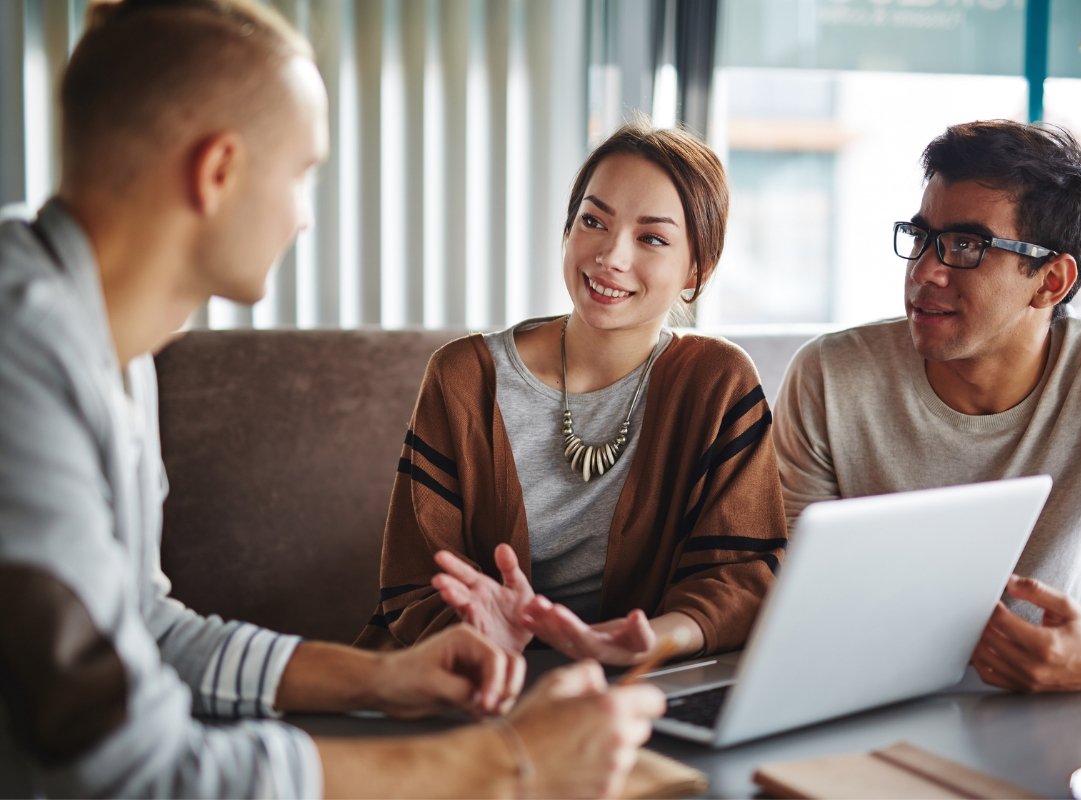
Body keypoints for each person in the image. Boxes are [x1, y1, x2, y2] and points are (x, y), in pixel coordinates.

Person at [0, 1, 664, 797]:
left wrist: (379, 680)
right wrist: (505, 761)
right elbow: (130, 770)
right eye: (301, 173)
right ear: (217, 172)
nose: (306, 218)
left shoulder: (102, 339)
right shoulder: (22, 356)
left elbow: (142, 630)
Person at [772, 119, 1081, 693]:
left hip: (1052, 704)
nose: (925, 271)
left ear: (1050, 281)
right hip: (860, 697)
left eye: (967, 246)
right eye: (921, 237)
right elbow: (790, 591)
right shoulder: (829, 375)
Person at [356, 121, 788, 666]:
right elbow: (415, 581)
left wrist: (649, 641)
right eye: (593, 221)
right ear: (568, 229)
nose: (611, 256)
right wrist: (496, 645)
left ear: (697, 269)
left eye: (651, 238)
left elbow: (744, 577)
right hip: (467, 681)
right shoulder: (464, 377)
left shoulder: (718, 381)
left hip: (639, 685)